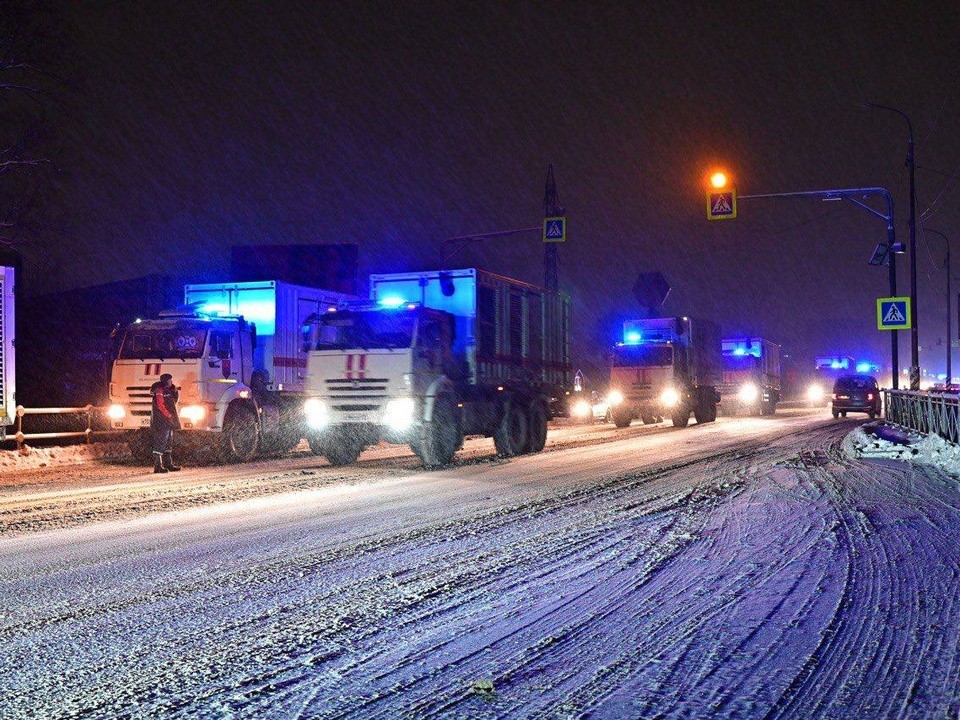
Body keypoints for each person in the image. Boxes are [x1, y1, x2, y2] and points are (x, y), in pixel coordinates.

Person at [150, 373, 182, 473]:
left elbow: (173, 402)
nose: (171, 382)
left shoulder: (168, 390)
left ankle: (168, 464)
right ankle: (157, 466)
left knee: (168, 442)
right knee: (160, 442)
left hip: (167, 420)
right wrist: (168, 415)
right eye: (170, 380)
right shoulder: (160, 390)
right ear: (166, 381)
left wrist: (175, 392)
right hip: (161, 420)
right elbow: (160, 405)